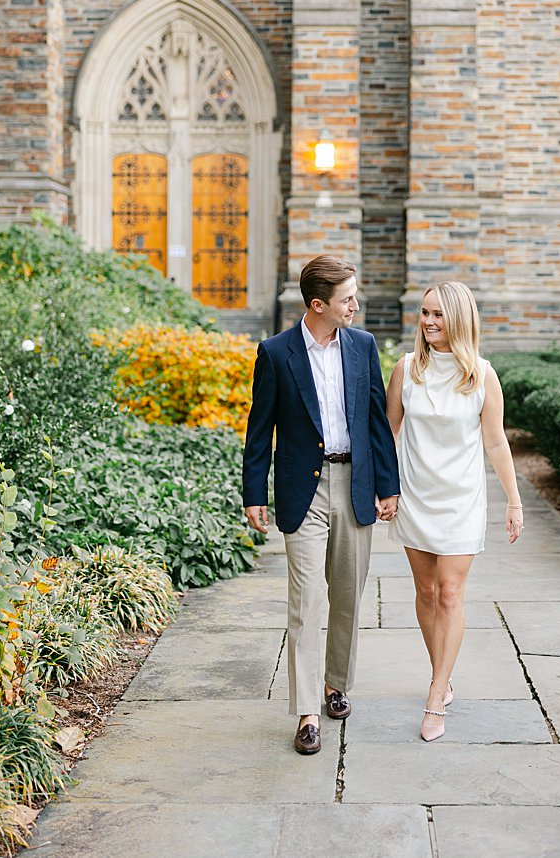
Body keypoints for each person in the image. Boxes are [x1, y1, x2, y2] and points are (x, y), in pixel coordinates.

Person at [242, 255, 401, 756]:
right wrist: (253, 493)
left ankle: (336, 686)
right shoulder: (275, 352)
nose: (356, 305)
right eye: (347, 299)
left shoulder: (363, 346)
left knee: (349, 596)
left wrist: (387, 485)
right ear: (318, 305)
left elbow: (375, 419)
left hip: (355, 482)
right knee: (306, 602)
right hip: (301, 490)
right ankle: (308, 711)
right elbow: (258, 430)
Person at [383, 281, 525, 742]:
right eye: (424, 313)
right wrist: (382, 490)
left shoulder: (482, 375)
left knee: (449, 593)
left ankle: (436, 693)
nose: (427, 322)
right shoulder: (405, 369)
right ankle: (440, 673)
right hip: (415, 496)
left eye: (438, 315)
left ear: (459, 319)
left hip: (462, 499)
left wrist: (514, 501)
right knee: (425, 593)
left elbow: (496, 442)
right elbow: (389, 433)